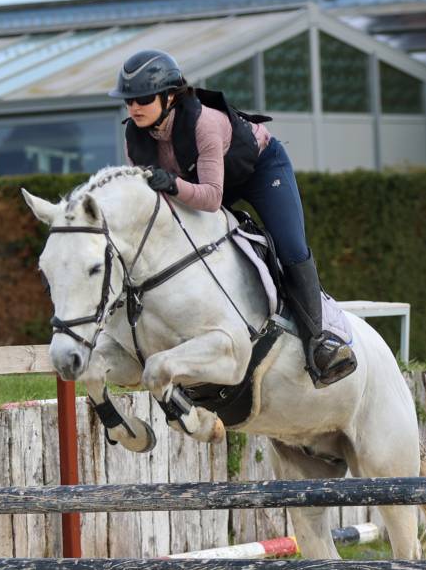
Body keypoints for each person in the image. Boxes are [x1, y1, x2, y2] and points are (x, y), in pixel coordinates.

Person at [109, 49, 355, 387]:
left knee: (290, 245)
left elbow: (210, 198)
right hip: (203, 184)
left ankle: (321, 342)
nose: (134, 107)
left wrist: (173, 184)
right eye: (128, 101)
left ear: (169, 96)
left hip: (260, 169)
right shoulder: (134, 136)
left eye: (143, 98)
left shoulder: (204, 123)